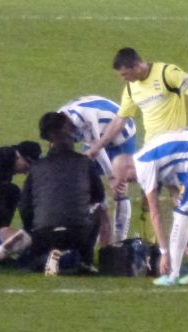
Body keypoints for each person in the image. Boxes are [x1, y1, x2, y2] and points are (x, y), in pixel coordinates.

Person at [109, 127, 188, 287]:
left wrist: (164, 253)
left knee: (181, 214)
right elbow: (176, 194)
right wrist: (186, 235)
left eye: (125, 179)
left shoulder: (143, 166)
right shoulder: (153, 156)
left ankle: (171, 274)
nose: (128, 182)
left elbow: (155, 213)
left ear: (128, 168)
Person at [19, 112, 109, 275]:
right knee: (98, 210)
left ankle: (49, 259)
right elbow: (99, 197)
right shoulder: (84, 163)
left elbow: (25, 206)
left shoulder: (37, 167)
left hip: (44, 234)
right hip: (78, 234)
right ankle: (84, 260)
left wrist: (32, 227)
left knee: (34, 261)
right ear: (64, 131)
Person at [87, 47, 188, 154]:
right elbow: (120, 120)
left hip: (175, 144)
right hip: (151, 147)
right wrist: (99, 145)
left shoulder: (167, 73)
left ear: (136, 65)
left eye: (125, 74)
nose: (124, 79)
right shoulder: (130, 88)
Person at [59, 95, 139, 240]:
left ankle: (119, 240)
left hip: (122, 137)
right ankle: (94, 234)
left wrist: (112, 177)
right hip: (99, 133)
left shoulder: (82, 119)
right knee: (86, 182)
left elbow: (98, 148)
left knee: (119, 188)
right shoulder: (62, 118)